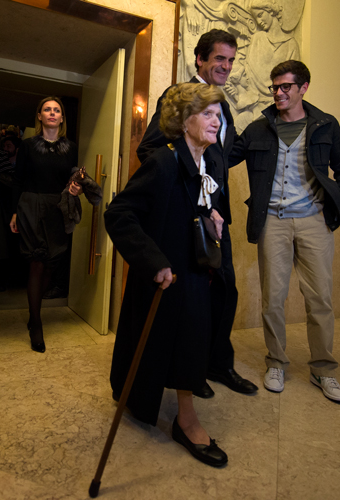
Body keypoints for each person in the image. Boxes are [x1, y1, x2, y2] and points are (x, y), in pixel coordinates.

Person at [105, 83, 228, 468]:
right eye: (207, 114)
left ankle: (182, 418)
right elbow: (119, 214)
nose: (216, 121)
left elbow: (190, 209)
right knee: (168, 342)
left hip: (194, 272)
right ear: (184, 119)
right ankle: (173, 417)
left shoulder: (205, 163)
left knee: (190, 341)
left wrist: (212, 216)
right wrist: (153, 261)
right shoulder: (164, 161)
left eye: (218, 115)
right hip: (165, 272)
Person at [137, 29, 258, 399]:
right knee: (191, 299)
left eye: (231, 60)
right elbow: (150, 149)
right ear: (200, 59)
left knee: (224, 291)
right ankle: (190, 372)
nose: (226, 66)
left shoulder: (223, 107)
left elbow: (220, 158)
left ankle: (217, 364)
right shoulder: (180, 97)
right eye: (219, 58)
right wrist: (193, 192)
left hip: (216, 219)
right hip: (188, 217)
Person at [229, 60, 340, 402]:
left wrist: (335, 205)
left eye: (286, 86)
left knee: (320, 299)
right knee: (273, 298)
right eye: (275, 87)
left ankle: (323, 369)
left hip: (314, 221)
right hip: (272, 221)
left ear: (303, 88)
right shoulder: (258, 128)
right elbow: (224, 156)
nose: (279, 93)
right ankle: (276, 362)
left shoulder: (326, 125)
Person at [9, 97, 81, 353]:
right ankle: (36, 322)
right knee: (37, 261)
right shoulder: (28, 145)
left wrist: (75, 188)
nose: (52, 113)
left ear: (62, 118)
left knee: (52, 262)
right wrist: (14, 211)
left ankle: (34, 311)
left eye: (57, 110)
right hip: (31, 205)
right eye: (47, 109)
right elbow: (17, 180)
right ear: (39, 116)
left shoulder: (71, 148)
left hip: (57, 208)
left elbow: (70, 180)